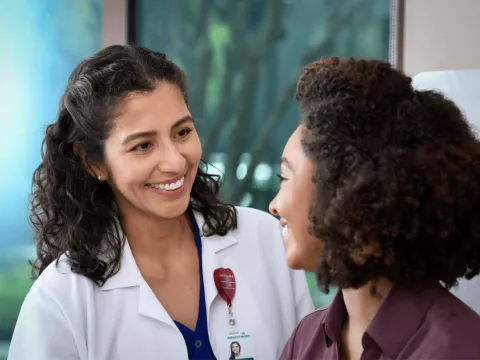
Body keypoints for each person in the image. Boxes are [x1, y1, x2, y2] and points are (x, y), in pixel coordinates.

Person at [7, 45, 313, 360]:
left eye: (182, 132)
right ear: (93, 163)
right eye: (143, 145)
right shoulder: (60, 299)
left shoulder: (265, 239)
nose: (174, 161)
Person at [269, 57, 480, 359]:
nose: (274, 205)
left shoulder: (458, 349)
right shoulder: (306, 340)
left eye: (285, 178)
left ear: (349, 198)